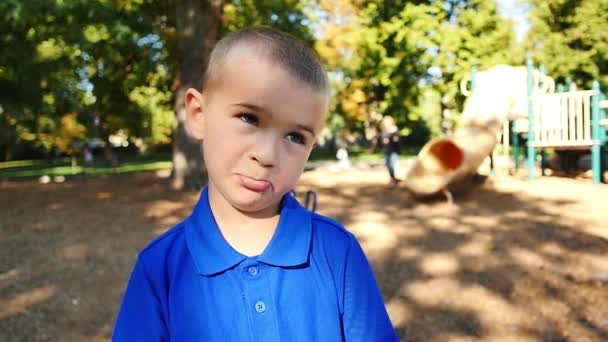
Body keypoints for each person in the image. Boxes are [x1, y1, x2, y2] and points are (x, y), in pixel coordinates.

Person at [112, 27, 398, 341]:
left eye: (295, 137)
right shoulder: (161, 268)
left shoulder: (337, 251)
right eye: (249, 118)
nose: (266, 156)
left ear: (310, 149)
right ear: (198, 114)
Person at [379, 116, 401, 186]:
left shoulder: (395, 130)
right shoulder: (384, 131)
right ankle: (392, 178)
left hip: (393, 150)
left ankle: (393, 179)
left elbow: (397, 140)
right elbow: (382, 141)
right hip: (387, 150)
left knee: (392, 164)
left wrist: (394, 140)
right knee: (388, 165)